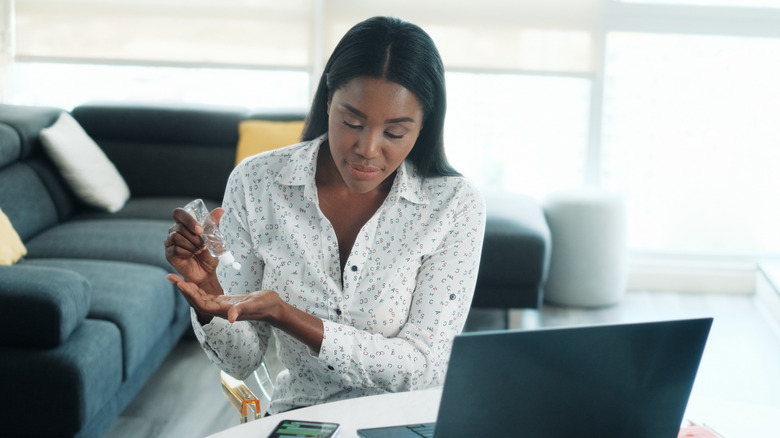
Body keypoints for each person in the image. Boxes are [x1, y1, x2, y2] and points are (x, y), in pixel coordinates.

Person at [164, 16, 486, 415]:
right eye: (352, 122)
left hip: (407, 421)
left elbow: (424, 368)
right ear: (328, 100)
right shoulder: (258, 182)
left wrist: (285, 314)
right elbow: (240, 362)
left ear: (424, 126)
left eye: (395, 133)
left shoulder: (454, 204)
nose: (368, 148)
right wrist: (210, 291)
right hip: (303, 417)